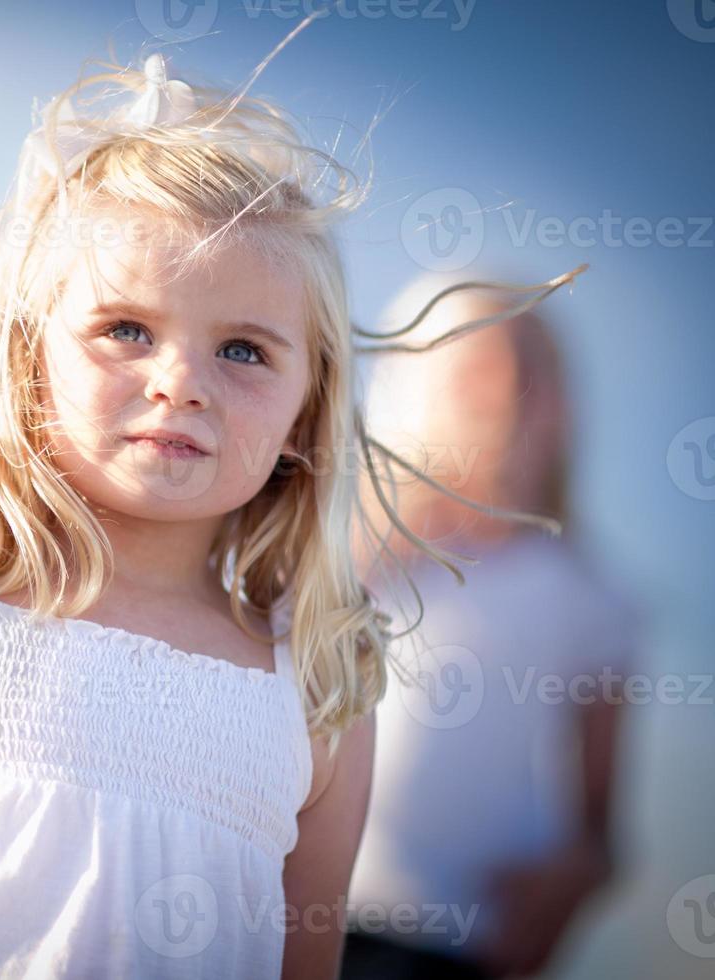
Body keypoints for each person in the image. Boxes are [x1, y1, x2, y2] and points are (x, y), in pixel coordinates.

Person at [0, 24, 580, 979]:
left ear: (309, 411)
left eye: (244, 350)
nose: (181, 381)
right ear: (28, 364)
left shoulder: (315, 691)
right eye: (126, 327)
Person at [341, 272, 644, 979]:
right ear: (410, 399)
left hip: (466, 942)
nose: (506, 393)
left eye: (532, 373)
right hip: (315, 911)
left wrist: (574, 877)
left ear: (565, 410)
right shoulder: (354, 568)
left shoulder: (590, 600)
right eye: (476, 371)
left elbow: (600, 827)